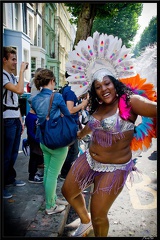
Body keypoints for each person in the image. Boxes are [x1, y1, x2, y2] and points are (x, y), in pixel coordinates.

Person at [61, 32, 157, 237]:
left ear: (115, 83)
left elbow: (154, 108)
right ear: (94, 91)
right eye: (98, 86)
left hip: (114, 169)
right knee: (68, 192)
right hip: (89, 159)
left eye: (107, 83)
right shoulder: (98, 108)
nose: (104, 89)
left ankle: (93, 225)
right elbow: (91, 127)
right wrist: (78, 135)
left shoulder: (130, 103)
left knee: (99, 215)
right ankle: (84, 221)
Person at [31, 68, 70, 215]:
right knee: (53, 174)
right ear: (52, 81)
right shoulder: (57, 97)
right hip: (57, 141)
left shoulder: (34, 99)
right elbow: (67, 115)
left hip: (43, 140)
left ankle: (52, 198)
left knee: (48, 171)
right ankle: (50, 206)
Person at [3, 46, 28, 199]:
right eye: (12, 59)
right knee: (6, 154)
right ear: (4, 60)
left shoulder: (10, 76)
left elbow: (16, 99)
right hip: (6, 119)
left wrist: (20, 118)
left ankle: (10, 179)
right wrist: (20, 72)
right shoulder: (4, 76)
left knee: (12, 154)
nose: (15, 62)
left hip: (14, 118)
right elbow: (19, 91)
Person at [59, 73, 89, 180]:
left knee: (72, 149)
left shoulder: (68, 90)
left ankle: (66, 172)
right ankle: (65, 174)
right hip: (70, 124)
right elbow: (70, 110)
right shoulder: (70, 91)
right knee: (73, 150)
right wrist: (82, 104)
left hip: (69, 123)